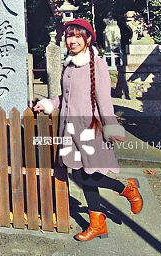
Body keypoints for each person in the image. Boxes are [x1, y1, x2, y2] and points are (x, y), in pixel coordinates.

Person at [34, 18, 143, 241]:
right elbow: (65, 97)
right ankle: (97, 224)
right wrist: (48, 104)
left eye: (77, 36)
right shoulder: (69, 65)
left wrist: (112, 125)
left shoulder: (97, 64)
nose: (72, 40)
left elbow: (104, 99)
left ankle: (126, 189)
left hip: (90, 130)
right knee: (81, 174)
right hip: (69, 131)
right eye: (69, 36)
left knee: (88, 176)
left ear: (88, 38)